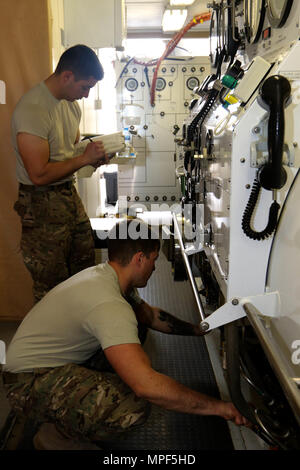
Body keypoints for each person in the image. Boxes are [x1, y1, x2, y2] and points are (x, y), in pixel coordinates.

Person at [2, 220, 249, 450]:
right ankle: (59, 435)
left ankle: (62, 412)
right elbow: (147, 386)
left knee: (137, 326)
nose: (155, 266)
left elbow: (151, 317)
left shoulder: (106, 276)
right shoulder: (109, 304)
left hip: (44, 364)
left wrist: (199, 329)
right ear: (140, 259)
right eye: (154, 259)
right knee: (131, 405)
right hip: (26, 383)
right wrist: (219, 408)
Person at [11, 44, 109, 303]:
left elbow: (71, 155)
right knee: (51, 286)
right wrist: (82, 159)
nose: (86, 95)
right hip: (40, 202)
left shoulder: (71, 105)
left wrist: (92, 160)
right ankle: (51, 341)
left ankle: (79, 338)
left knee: (83, 271)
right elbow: (39, 175)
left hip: (67, 195)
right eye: (84, 87)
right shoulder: (33, 109)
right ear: (67, 76)